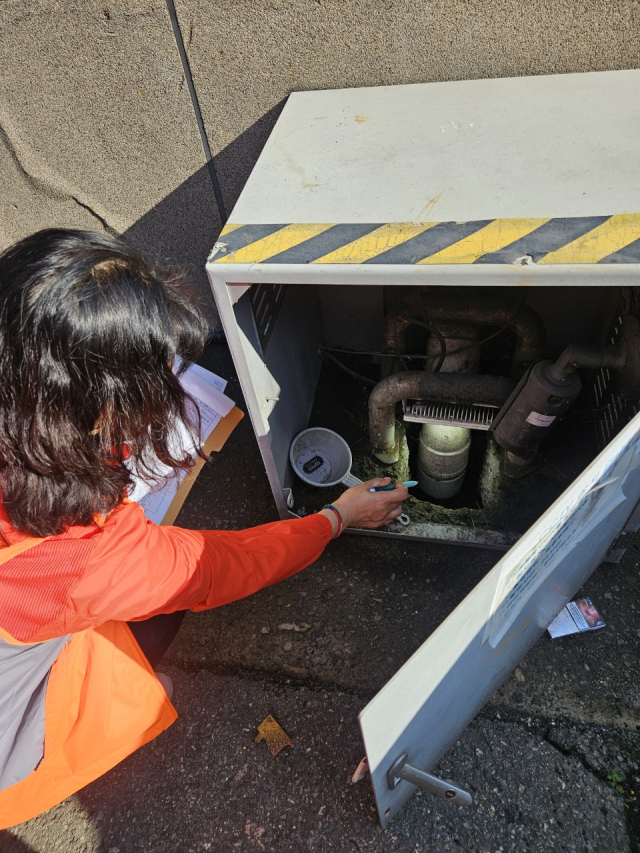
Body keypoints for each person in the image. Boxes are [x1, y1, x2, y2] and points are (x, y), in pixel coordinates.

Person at [0, 229, 407, 829]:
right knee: (154, 641)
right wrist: (338, 517)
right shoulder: (82, 557)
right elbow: (216, 568)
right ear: (96, 412)